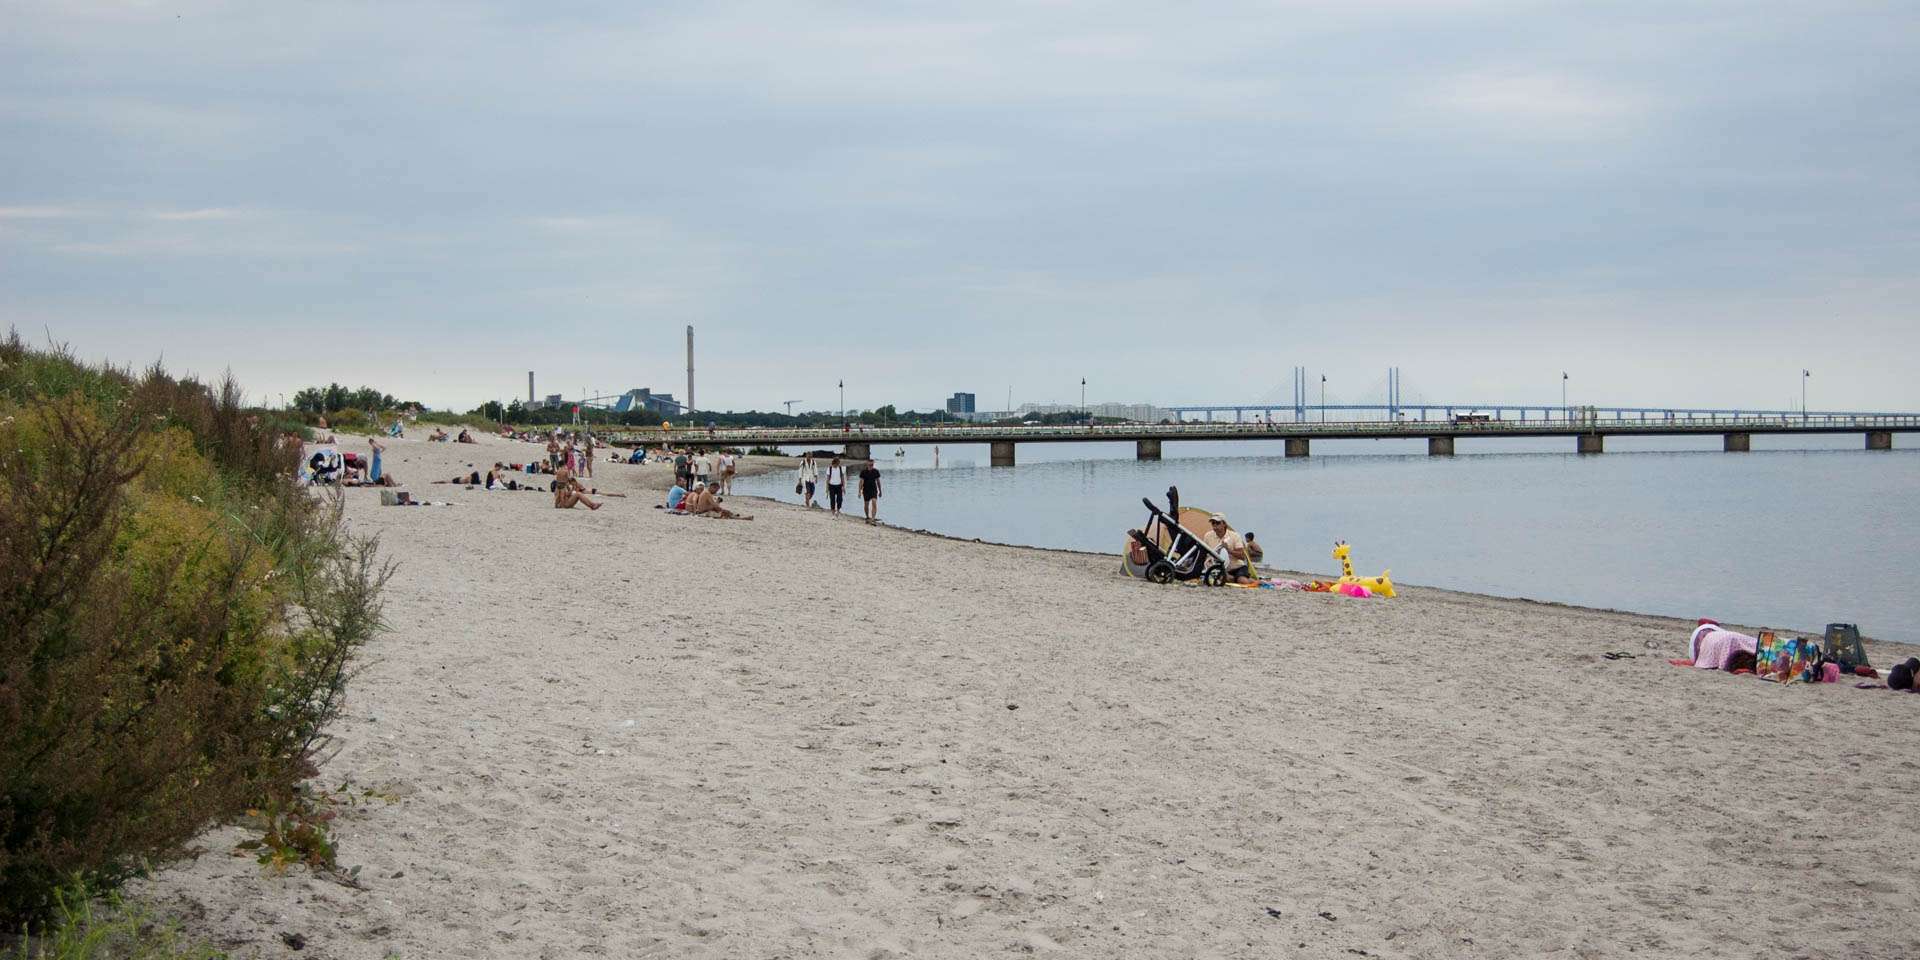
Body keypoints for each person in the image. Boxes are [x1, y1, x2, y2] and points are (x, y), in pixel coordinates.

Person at [1202, 514, 1256, 584]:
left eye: (1218, 523)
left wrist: (1228, 550)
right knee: (1223, 578)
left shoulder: (1235, 536)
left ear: (1224, 524)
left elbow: (1242, 556)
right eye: (1213, 523)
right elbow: (1203, 553)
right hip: (1218, 568)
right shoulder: (1208, 536)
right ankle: (1231, 577)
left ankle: (1256, 581)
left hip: (1237, 567)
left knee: (1242, 581)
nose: (1215, 525)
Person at [685, 484, 751, 520]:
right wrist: (722, 509)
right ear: (712, 487)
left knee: (724, 512)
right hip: (703, 512)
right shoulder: (707, 493)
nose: (716, 492)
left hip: (705, 510)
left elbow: (713, 505)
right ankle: (741, 518)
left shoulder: (706, 493)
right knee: (724, 514)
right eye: (716, 490)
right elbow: (715, 505)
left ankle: (735, 516)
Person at [858, 458, 882, 524]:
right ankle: (867, 517)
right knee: (866, 505)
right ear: (867, 464)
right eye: (870, 464)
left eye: (872, 464)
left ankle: (873, 518)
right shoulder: (863, 472)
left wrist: (880, 491)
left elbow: (878, 482)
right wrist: (859, 492)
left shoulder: (876, 471)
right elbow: (861, 482)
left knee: (874, 502)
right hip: (866, 490)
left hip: (874, 489)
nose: (871, 466)